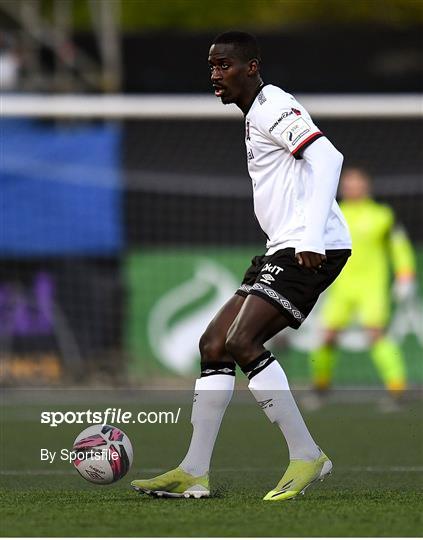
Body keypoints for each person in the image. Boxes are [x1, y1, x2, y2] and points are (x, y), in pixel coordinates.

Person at [131, 31, 352, 501]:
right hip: (282, 246)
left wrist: (310, 234)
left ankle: (307, 454)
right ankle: (194, 471)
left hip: (311, 245)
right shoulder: (255, 115)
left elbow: (328, 157)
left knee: (242, 340)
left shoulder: (272, 105)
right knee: (214, 343)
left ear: (251, 67)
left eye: (224, 65)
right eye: (211, 67)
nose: (215, 75)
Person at [309, 167, 416, 400]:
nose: (350, 188)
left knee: (376, 334)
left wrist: (405, 274)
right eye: (346, 184)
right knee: (327, 336)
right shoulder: (332, 213)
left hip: (372, 286)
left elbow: (399, 246)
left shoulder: (382, 215)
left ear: (366, 187)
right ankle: (320, 388)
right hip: (341, 286)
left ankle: (397, 389)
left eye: (355, 183)